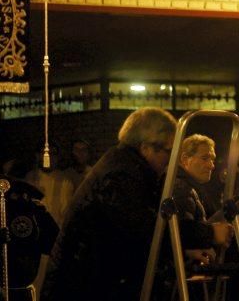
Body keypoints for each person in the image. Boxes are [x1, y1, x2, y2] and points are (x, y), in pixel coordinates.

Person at [41, 107, 178, 300]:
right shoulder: (121, 175)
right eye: (168, 150)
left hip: (88, 281)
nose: (171, 158)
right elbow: (142, 228)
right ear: (146, 147)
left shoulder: (125, 167)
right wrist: (202, 235)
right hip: (83, 286)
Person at [174, 134, 233, 257]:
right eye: (205, 158)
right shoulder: (180, 189)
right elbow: (182, 232)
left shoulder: (190, 187)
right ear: (185, 159)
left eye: (212, 159)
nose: (211, 165)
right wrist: (212, 233)